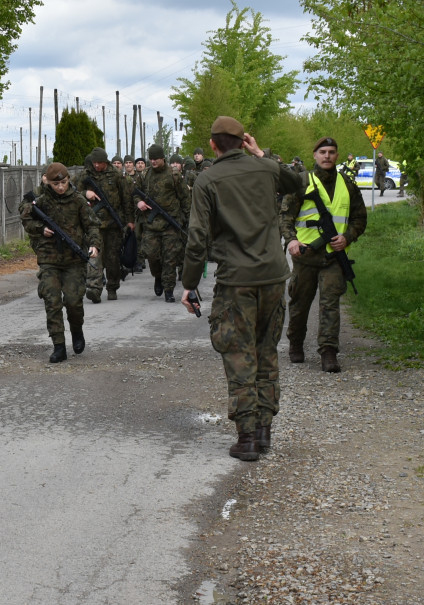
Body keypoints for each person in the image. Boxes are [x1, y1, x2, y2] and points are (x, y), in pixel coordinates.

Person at [181, 116, 302, 462]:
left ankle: (247, 436)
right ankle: (263, 430)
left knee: (238, 353)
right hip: (274, 277)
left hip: (236, 281)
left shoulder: (207, 180)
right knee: (266, 350)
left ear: (214, 145)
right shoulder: (266, 169)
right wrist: (262, 153)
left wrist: (189, 284)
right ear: (242, 141)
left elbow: (197, 238)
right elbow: (298, 183)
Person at [280, 136, 368, 373]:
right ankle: (295, 343)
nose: (327, 156)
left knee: (330, 304)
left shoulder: (347, 185)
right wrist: (291, 241)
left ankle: (328, 352)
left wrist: (347, 237)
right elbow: (286, 216)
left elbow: (360, 218)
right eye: (323, 152)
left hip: (334, 257)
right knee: (299, 303)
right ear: (315, 155)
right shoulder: (302, 182)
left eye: (331, 152)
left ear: (337, 156)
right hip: (305, 255)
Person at [19, 162, 100, 363]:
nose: (61, 187)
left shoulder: (78, 201)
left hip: (74, 260)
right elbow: (26, 220)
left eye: (63, 183)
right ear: (49, 183)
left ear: (68, 180)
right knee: (52, 301)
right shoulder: (41, 202)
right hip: (49, 259)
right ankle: (59, 345)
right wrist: (41, 229)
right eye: (56, 184)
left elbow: (92, 226)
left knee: (73, 301)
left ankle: (76, 330)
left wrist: (94, 245)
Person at [74, 148, 134, 302]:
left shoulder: (115, 175)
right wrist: (85, 193)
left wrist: (129, 220)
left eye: (99, 163)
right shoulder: (86, 175)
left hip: (113, 224)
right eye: (94, 163)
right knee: (95, 256)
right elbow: (73, 192)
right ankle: (94, 288)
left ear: (105, 162)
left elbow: (126, 198)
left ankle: (112, 287)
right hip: (93, 224)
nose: (96, 166)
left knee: (112, 258)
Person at [134, 144, 189, 302]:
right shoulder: (144, 175)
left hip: (171, 223)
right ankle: (157, 276)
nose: (153, 161)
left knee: (170, 258)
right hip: (151, 224)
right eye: (151, 159)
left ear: (163, 158)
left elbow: (184, 197)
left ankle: (168, 289)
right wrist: (139, 202)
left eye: (156, 159)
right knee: (152, 256)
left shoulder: (174, 175)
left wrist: (186, 219)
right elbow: (135, 193)